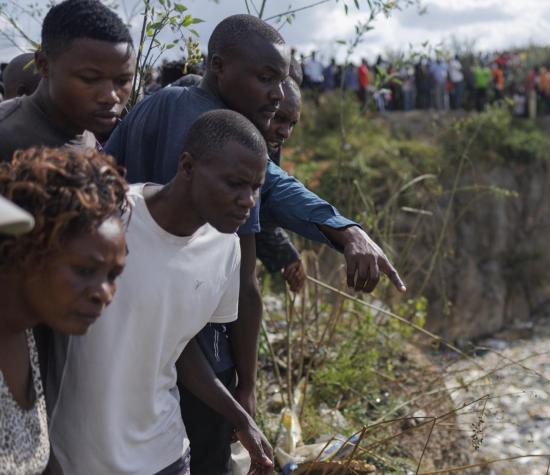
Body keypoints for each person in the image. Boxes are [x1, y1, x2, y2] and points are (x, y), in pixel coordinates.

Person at [106, 14, 404, 474]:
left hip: (142, 334)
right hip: (183, 344)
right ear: (220, 67)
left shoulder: (170, 106)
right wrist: (244, 390)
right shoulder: (208, 127)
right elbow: (247, 275)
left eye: (281, 81)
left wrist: (334, 232)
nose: (276, 94)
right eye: (266, 79)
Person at [50, 110, 273, 475]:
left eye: (256, 187)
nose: (248, 200)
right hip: (77, 456)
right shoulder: (109, 219)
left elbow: (178, 345)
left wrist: (240, 415)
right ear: (187, 166)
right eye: (235, 183)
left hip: (165, 454)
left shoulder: (226, 249)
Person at [0, 146, 127, 475]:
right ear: (23, 251)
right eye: (85, 270)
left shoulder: (27, 331)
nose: (104, 294)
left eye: (113, 276)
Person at [0, 0, 135, 162]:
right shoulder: (6, 135)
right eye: (90, 78)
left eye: (122, 80)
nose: (111, 96)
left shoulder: (84, 130)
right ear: (43, 65)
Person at [255, 77, 305, 292]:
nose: (285, 132)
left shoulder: (269, 141)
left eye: (292, 124)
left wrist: (285, 254)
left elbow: (261, 202)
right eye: (279, 118)